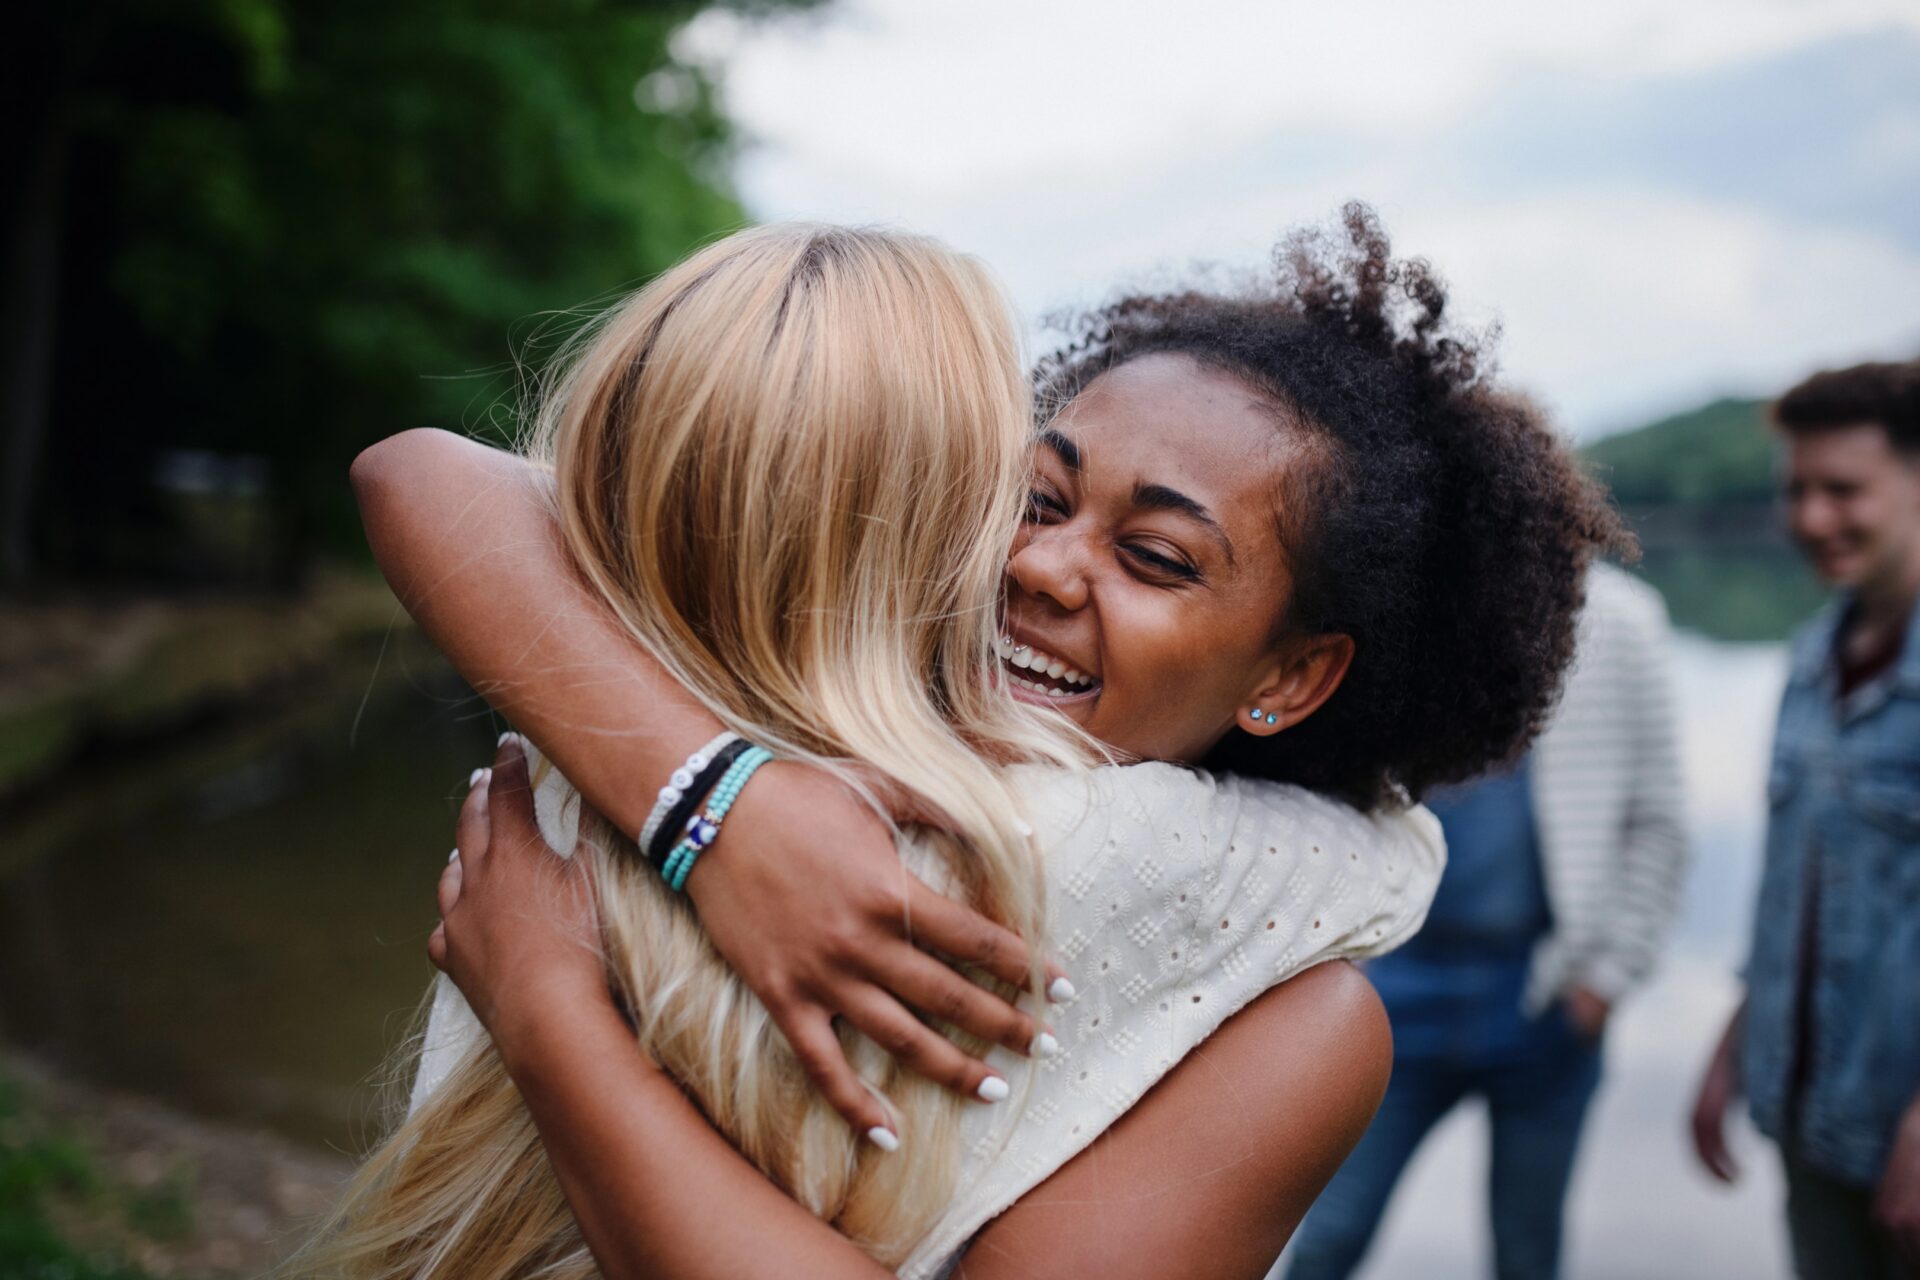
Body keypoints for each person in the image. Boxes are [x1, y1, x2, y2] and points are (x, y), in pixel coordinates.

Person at [331, 208, 1625, 1279]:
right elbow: (423, 475)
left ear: (1290, 675)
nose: (1044, 565)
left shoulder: (1291, 1007)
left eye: (1156, 557)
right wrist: (715, 806)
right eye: (1038, 495)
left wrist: (554, 1014)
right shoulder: (801, 695)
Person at [1284, 561, 1690, 1280]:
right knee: (1327, 1238)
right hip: (1391, 986)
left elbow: (1659, 821)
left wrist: (1606, 977)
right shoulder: (1400, 596)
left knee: (1528, 1251)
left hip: (1543, 990)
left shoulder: (1625, 619)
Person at [1690, 359, 1920, 1280]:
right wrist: (1736, 1045)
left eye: (1844, 490)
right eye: (1797, 491)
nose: (1812, 518)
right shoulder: (1810, 656)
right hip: (1811, 1123)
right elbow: (1801, 882)